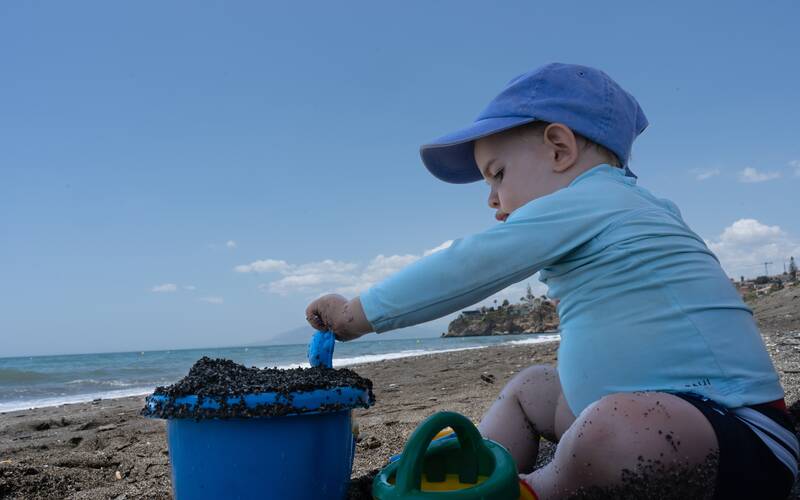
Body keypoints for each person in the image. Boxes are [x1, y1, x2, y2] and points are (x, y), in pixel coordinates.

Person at [305, 63, 798, 499]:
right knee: (531, 387)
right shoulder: (623, 206)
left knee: (616, 428)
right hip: (633, 417)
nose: (492, 199)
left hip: (738, 436)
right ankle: (481, 464)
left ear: (559, 148)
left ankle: (528, 491)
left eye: (497, 175)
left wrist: (356, 313)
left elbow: (467, 265)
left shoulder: (595, 199)